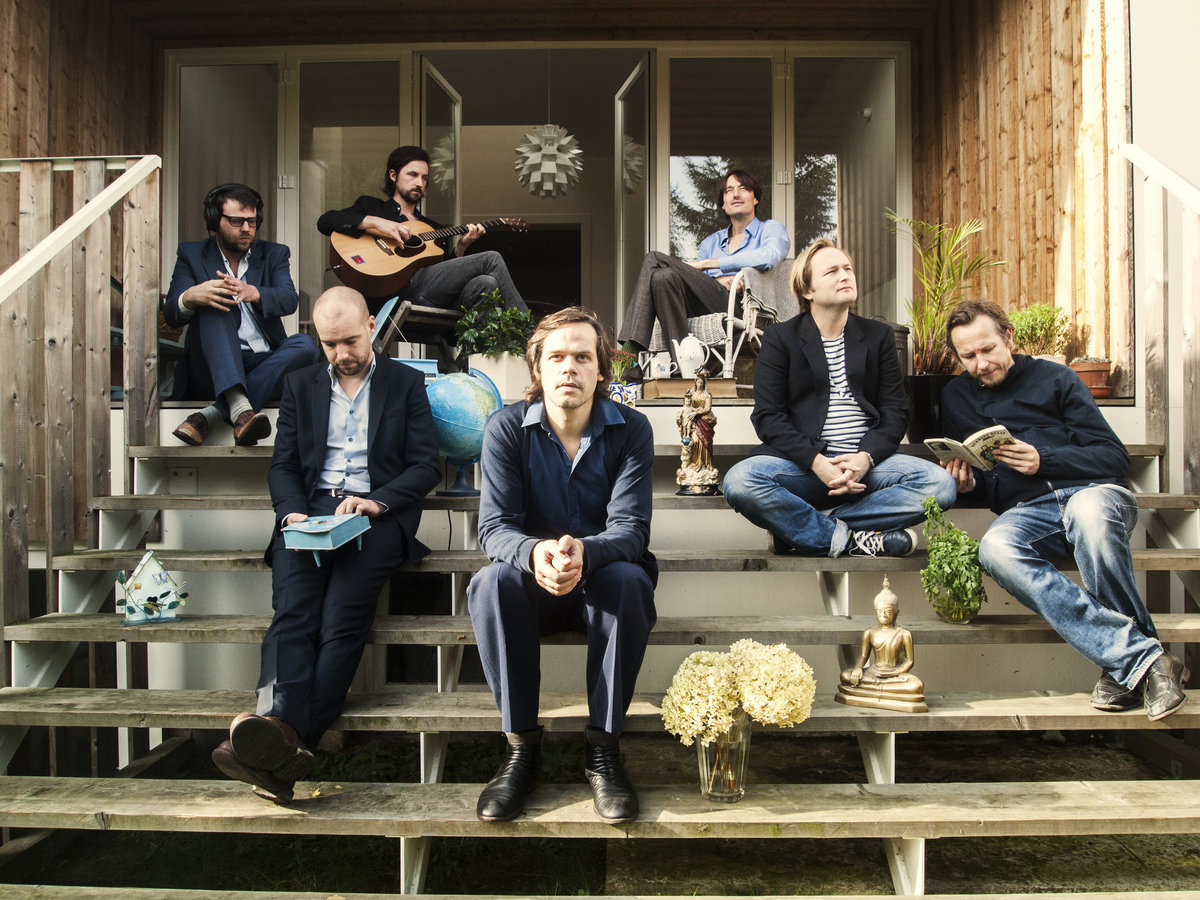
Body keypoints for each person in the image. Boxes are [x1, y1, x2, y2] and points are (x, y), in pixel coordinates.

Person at [211, 286, 441, 802]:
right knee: (293, 613)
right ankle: (282, 739)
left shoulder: (406, 383)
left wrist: (376, 502)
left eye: (350, 341)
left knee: (340, 621)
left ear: (372, 327)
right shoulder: (300, 384)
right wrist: (291, 511)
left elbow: (426, 465)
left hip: (377, 517)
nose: (341, 354)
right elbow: (284, 465)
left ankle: (277, 740)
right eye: (329, 344)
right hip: (308, 513)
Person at [940, 299, 1187, 721]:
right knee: (995, 549)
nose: (980, 364)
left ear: (1009, 338)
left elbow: (1113, 458)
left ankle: (1124, 665)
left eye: (988, 350)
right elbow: (984, 475)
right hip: (1029, 511)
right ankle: (1146, 660)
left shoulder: (1056, 378)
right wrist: (966, 483)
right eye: (968, 356)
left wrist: (1044, 460)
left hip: (1093, 493)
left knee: (1089, 515)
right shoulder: (955, 396)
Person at [467, 306, 657, 825]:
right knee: (491, 582)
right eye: (556, 357)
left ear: (601, 370)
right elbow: (495, 528)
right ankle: (521, 749)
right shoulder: (506, 429)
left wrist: (584, 553)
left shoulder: (632, 430)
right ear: (538, 368)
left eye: (582, 356)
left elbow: (631, 529)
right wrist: (535, 554)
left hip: (603, 584)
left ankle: (604, 751)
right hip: (534, 589)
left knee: (629, 579)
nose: (569, 367)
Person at [722, 238, 956, 557]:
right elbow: (768, 417)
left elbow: (896, 412)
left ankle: (806, 530)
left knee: (940, 485)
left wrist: (865, 458)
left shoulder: (878, 337)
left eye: (847, 269)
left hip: (867, 468)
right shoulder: (781, 338)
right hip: (804, 468)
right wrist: (817, 462)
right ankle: (854, 540)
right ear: (808, 291)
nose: (845, 275)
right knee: (740, 481)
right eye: (832, 271)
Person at [164, 183, 320, 446]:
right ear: (215, 220)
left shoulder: (274, 254)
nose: (246, 228)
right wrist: (191, 296)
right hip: (210, 369)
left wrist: (253, 292)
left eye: (252, 221)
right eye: (237, 221)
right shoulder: (191, 254)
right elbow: (171, 314)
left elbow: (288, 299)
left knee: (305, 346)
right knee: (216, 299)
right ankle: (237, 403)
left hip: (264, 365)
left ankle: (213, 415)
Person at [317, 145, 528, 319]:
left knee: (486, 283)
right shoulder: (371, 207)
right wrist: (378, 223)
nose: (420, 183)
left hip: (427, 295)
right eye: (413, 175)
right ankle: (529, 333)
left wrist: (461, 247)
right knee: (491, 259)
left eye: (425, 178)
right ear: (393, 175)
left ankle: (477, 354)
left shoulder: (432, 228)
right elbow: (325, 221)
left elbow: (444, 274)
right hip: (393, 293)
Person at [618, 169, 790, 371]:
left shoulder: (770, 229)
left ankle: (629, 356)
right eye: (729, 190)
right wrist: (718, 281)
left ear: (755, 199)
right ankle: (684, 369)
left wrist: (707, 264)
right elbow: (697, 283)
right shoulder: (711, 242)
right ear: (723, 204)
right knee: (663, 277)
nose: (735, 194)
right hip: (706, 303)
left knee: (654, 258)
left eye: (743, 188)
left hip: (742, 307)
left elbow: (768, 257)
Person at [837, 578, 927, 712]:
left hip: (895, 675)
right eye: (880, 612)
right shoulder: (870, 632)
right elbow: (863, 656)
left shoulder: (904, 633)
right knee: (845, 676)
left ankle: (875, 693)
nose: (883, 615)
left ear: (896, 613)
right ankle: (887, 694)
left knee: (916, 686)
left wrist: (896, 672)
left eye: (887, 612)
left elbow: (909, 660)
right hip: (873, 673)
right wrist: (857, 669)